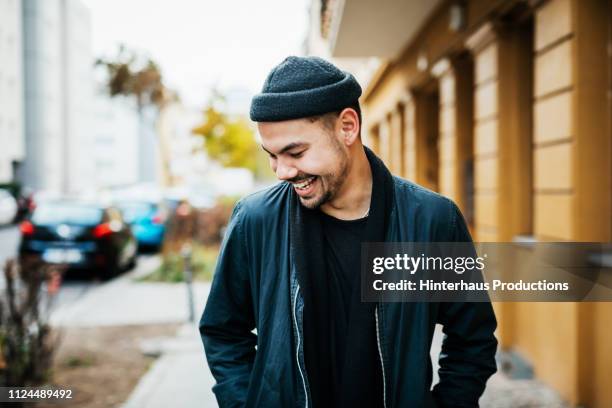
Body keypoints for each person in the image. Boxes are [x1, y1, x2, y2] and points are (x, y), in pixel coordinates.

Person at [200, 56, 498, 408]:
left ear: (347, 127)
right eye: (272, 156)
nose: (282, 171)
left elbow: (472, 338)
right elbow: (223, 331)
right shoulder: (254, 220)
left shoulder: (432, 221)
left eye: (295, 152)